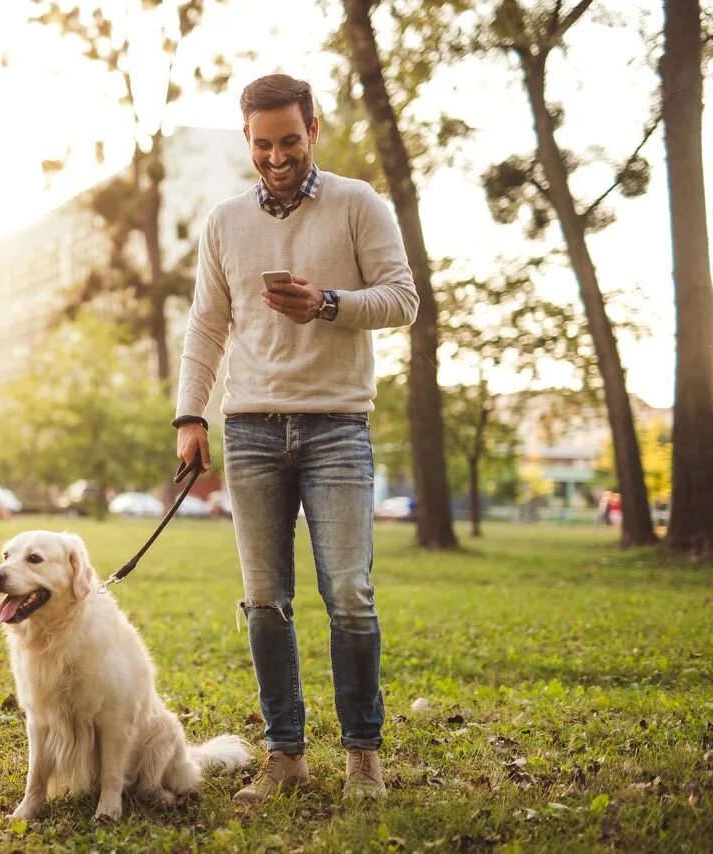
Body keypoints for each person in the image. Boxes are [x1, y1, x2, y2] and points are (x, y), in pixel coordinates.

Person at [173, 74, 419, 803]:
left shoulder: (358, 205)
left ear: (314, 130)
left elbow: (402, 298)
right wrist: (191, 415)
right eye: (261, 144)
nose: (276, 157)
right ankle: (285, 756)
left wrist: (327, 303)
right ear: (247, 141)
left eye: (288, 140)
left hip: (337, 423)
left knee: (350, 594)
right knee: (264, 599)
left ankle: (362, 759)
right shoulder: (225, 222)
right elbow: (205, 326)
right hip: (249, 428)